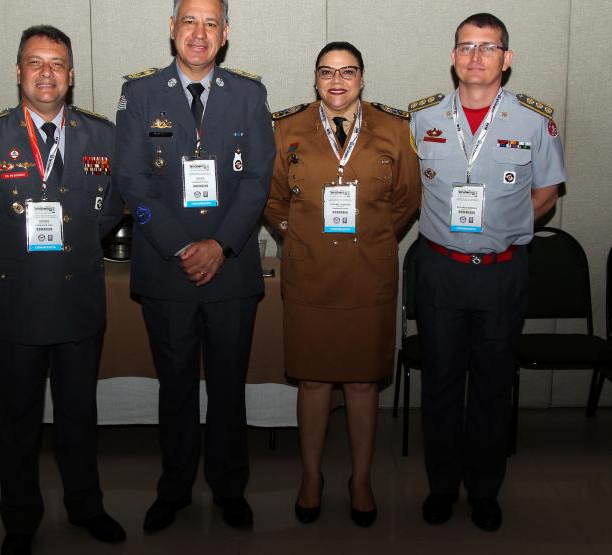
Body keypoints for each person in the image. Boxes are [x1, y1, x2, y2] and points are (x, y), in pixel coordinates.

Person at [0, 25, 126, 554]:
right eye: (35, 62)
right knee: (18, 421)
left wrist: (74, 249)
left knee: (79, 417)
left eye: (57, 63)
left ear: (71, 75)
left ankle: (86, 506)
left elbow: (112, 209)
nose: (46, 73)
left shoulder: (103, 135)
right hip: (14, 305)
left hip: (78, 302)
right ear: (19, 72)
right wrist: (7, 264)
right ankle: (20, 520)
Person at [113, 0, 275, 533]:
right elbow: (131, 183)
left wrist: (220, 246)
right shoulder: (139, 94)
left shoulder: (249, 94)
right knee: (175, 386)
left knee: (228, 387)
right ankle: (175, 488)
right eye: (189, 21)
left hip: (231, 270)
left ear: (225, 33)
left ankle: (230, 488)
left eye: (210, 23)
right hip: (167, 271)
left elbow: (258, 181)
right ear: (172, 28)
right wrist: (184, 247)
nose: (199, 33)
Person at [408, 13, 565, 532]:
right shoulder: (421, 119)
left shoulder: (534, 122)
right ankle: (441, 486)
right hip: (440, 271)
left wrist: (506, 226)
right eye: (466, 46)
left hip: (502, 272)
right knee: (441, 383)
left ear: (507, 58)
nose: (476, 56)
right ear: (453, 56)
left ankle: (484, 490)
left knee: (493, 385)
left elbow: (547, 192)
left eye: (488, 47)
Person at [264, 42, 421, 528]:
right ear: (315, 78)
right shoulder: (286, 128)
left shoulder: (394, 129)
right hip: (309, 274)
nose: (337, 81)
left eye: (347, 72)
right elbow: (272, 198)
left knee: (361, 381)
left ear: (362, 78)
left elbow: (408, 197)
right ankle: (311, 477)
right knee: (312, 381)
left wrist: (374, 236)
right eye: (327, 72)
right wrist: (300, 234)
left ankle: (361, 480)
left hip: (367, 274)